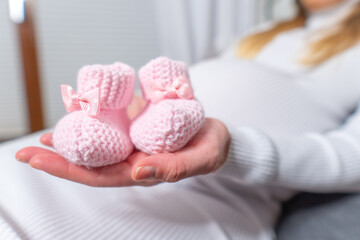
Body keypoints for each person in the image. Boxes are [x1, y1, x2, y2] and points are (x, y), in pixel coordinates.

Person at [10, 0, 360, 239]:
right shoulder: (267, 32)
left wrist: (234, 150)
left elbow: (352, 155)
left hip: (217, 195)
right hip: (135, 143)